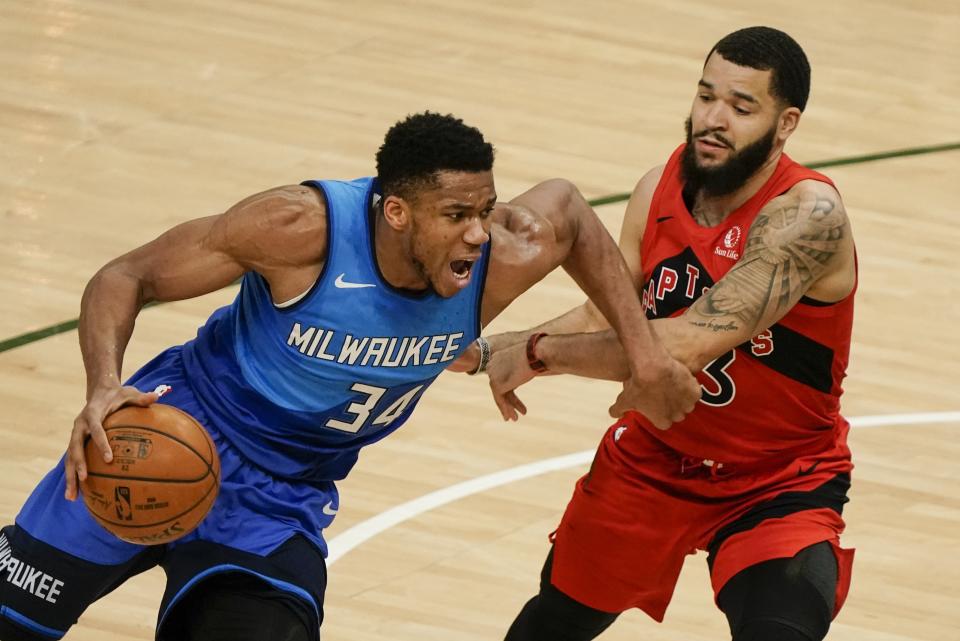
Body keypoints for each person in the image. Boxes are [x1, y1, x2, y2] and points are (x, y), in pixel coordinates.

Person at [0, 111, 698, 641]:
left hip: (278, 499)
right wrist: (101, 384)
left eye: (483, 211)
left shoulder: (501, 255)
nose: (479, 234)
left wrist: (646, 356)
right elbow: (128, 274)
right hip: (165, 437)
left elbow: (571, 212)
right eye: (456, 216)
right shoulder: (301, 228)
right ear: (395, 212)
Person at [472, 27, 858, 641]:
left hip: (778, 475)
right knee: (552, 624)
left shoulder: (807, 216)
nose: (713, 118)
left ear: (785, 124)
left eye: (740, 106)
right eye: (706, 96)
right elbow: (611, 311)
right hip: (653, 460)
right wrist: (493, 347)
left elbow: (678, 346)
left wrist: (539, 355)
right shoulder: (659, 187)